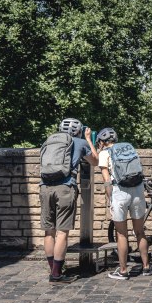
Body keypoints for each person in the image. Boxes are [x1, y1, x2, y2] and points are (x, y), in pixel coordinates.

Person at [40, 118, 98, 284]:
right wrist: (88, 139)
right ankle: (57, 274)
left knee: (49, 231)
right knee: (62, 232)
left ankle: (54, 269)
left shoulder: (49, 141)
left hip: (45, 187)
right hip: (65, 187)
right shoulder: (80, 142)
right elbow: (94, 160)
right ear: (79, 130)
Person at [96, 127, 152, 279]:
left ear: (102, 142)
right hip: (137, 191)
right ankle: (146, 267)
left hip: (120, 192)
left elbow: (106, 180)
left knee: (121, 234)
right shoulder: (128, 147)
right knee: (140, 231)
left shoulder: (104, 153)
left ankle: (123, 270)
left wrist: (110, 198)